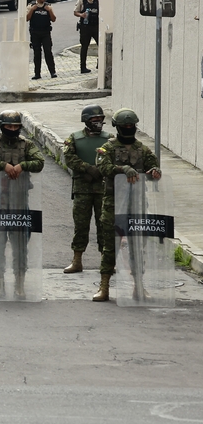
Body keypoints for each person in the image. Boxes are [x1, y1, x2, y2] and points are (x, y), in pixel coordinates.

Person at [94, 108, 161, 302]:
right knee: (110, 246)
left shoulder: (142, 149)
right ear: (117, 127)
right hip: (114, 204)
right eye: (125, 126)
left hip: (137, 204)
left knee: (137, 247)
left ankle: (139, 286)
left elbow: (153, 168)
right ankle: (104, 286)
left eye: (131, 125)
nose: (128, 128)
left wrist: (155, 171)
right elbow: (103, 168)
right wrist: (123, 168)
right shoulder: (107, 148)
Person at [0, 111, 45, 300]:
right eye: (9, 126)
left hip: (19, 201)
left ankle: (19, 284)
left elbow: (39, 162)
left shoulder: (26, 144)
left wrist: (22, 166)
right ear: (2, 126)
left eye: (16, 126)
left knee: (20, 244)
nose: (13, 129)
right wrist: (4, 166)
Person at [62, 104, 111, 274]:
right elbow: (68, 157)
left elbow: (114, 158)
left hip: (103, 190)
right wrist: (87, 168)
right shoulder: (75, 138)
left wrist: (100, 169)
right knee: (81, 226)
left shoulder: (109, 139)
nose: (98, 122)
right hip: (82, 189)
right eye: (94, 119)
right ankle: (77, 260)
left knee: (104, 226)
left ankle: (106, 262)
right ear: (86, 121)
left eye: (100, 119)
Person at [27, 0, 57, 80]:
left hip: (45, 33)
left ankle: (52, 72)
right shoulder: (31, 5)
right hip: (35, 32)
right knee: (37, 53)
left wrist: (50, 11)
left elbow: (53, 19)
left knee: (48, 52)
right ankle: (37, 73)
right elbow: (27, 18)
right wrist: (32, 10)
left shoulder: (48, 6)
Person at [74, 0, 99, 74]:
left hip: (96, 26)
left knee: (101, 45)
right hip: (85, 27)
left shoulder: (97, 0)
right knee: (84, 47)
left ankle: (100, 63)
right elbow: (75, 12)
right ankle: (83, 67)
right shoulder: (82, 1)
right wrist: (81, 15)